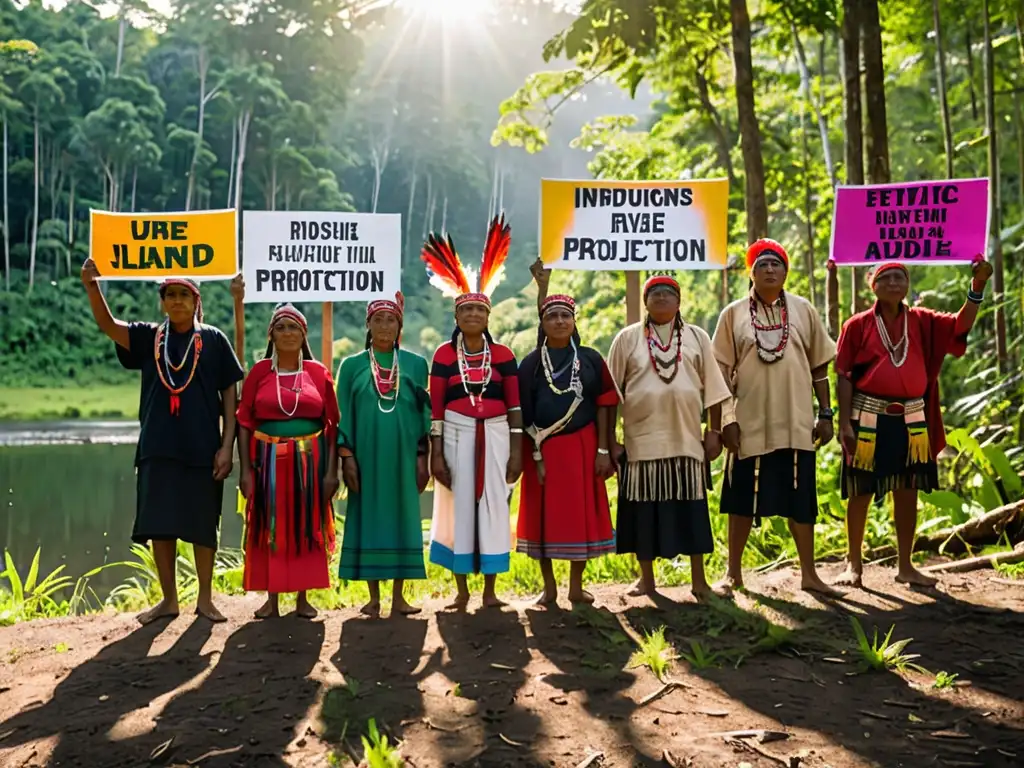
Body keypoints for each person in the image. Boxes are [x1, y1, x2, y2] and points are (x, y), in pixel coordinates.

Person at [81, 258, 244, 624]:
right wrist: (92, 287)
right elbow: (108, 325)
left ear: (196, 299)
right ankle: (169, 600)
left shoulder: (214, 340)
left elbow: (230, 393)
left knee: (204, 525)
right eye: (170, 294)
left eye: (184, 294)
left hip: (203, 448)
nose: (176, 301)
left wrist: (227, 443)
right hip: (158, 446)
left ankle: (205, 599)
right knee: (160, 524)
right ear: (162, 301)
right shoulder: (149, 336)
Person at [834, 258, 993, 588]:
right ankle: (854, 564)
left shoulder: (922, 320)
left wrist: (977, 285)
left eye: (900, 277)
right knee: (860, 491)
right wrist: (844, 423)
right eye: (886, 277)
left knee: (907, 491)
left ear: (907, 285)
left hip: (912, 420)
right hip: (867, 417)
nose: (894, 282)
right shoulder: (857, 325)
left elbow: (960, 325)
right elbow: (844, 375)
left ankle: (905, 565)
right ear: (872, 286)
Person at [711, 239, 840, 596]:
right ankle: (732, 573)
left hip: (796, 422)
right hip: (748, 423)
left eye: (777, 264)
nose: (770, 269)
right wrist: (727, 420)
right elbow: (720, 372)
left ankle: (810, 575)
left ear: (786, 272)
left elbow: (819, 368)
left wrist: (826, 413)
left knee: (801, 500)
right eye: (762, 264)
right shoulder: (733, 314)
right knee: (740, 499)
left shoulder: (803, 310)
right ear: (751, 271)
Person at [607, 274, 731, 601]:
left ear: (679, 302)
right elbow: (609, 397)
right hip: (640, 442)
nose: (661, 297)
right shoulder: (627, 339)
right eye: (655, 292)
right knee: (643, 514)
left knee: (692, 511)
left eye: (668, 292)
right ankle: (646, 581)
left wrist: (714, 432)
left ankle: (699, 581)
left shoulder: (697, 337)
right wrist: (610, 442)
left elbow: (715, 390)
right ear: (645, 302)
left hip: (687, 440)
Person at [421, 214, 522, 610]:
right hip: (457, 435)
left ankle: (492, 592)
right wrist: (437, 454)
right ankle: (462, 591)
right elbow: (436, 410)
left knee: (495, 508)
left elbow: (514, 406)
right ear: (457, 316)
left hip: (497, 436)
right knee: (458, 508)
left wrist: (516, 451)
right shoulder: (445, 356)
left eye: (480, 312)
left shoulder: (504, 355)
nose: (473, 317)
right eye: (466, 312)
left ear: (488, 315)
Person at [235, 299, 340, 619]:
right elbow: (243, 422)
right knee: (271, 526)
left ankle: (303, 598)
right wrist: (246, 471)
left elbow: (333, 425)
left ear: (304, 333)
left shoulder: (318, 373)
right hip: (267, 462)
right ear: (270, 335)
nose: (287, 333)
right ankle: (272, 599)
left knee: (306, 526)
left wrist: (331, 473)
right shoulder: (258, 373)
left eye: (293, 327)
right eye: (280, 327)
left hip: (311, 464)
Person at [517, 290, 618, 606]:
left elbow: (605, 403)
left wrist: (604, 450)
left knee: (580, 516)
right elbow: (521, 411)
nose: (559, 321)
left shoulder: (590, 359)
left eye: (565, 316)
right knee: (543, 517)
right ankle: (549, 589)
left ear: (574, 322)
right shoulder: (531, 363)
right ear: (542, 323)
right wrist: (531, 456)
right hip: (542, 450)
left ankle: (576, 586)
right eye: (551, 316)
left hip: (583, 446)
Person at [336, 292, 431, 618]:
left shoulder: (417, 365)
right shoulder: (351, 367)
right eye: (378, 319)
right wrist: (347, 457)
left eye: (391, 319)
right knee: (368, 518)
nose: (385, 325)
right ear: (368, 324)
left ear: (399, 325)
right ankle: (373, 598)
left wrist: (422, 458)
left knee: (404, 517)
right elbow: (342, 415)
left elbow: (424, 415)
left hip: (403, 459)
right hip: (366, 458)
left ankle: (399, 597)